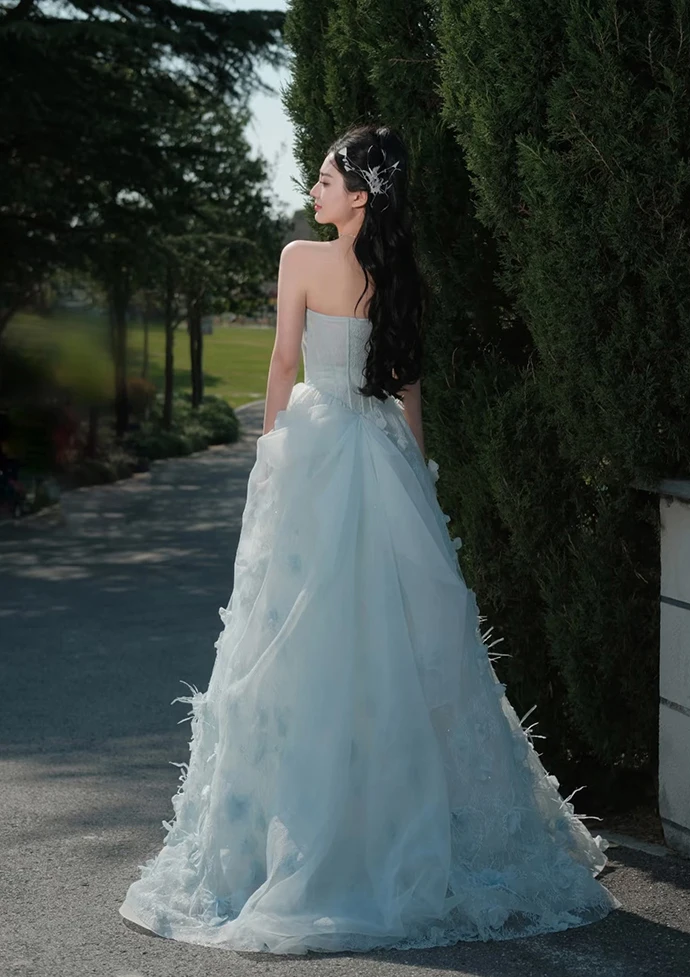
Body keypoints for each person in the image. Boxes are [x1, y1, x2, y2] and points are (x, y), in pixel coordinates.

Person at [119, 123, 622, 955]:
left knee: (298, 637)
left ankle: (297, 834)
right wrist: (417, 476)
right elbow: (409, 385)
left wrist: (273, 457)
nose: (314, 189)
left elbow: (284, 365)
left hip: (318, 448)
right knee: (401, 641)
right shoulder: (397, 274)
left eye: (326, 178)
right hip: (380, 451)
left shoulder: (298, 260)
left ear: (360, 195)